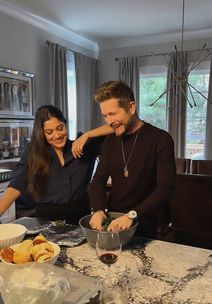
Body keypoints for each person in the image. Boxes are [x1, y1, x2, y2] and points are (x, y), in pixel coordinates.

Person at [89, 80, 176, 239]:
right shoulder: (110, 141)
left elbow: (166, 189)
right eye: (105, 116)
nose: (109, 122)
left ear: (131, 107)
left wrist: (132, 215)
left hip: (148, 225)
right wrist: (98, 209)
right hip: (114, 223)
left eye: (113, 114)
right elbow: (98, 180)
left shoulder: (161, 139)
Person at [0, 105, 113, 224]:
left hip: (80, 220)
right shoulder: (33, 152)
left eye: (60, 128)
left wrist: (87, 135)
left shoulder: (83, 146)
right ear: (42, 134)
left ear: (65, 124)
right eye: (49, 132)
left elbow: (117, 127)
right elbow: (15, 186)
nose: (57, 135)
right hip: (46, 221)